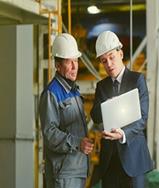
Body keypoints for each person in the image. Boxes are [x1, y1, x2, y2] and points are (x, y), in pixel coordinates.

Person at [90, 30, 153, 188]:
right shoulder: (102, 87)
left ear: (121, 54)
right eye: (104, 61)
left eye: (111, 57)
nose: (109, 64)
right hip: (110, 162)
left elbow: (142, 118)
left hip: (133, 160)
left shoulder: (137, 80)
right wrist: (107, 106)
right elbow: (95, 116)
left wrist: (123, 134)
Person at [39, 33, 94, 188]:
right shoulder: (52, 93)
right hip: (63, 175)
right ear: (57, 65)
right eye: (69, 62)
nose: (75, 66)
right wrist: (77, 143)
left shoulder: (74, 91)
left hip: (77, 170)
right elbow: (50, 133)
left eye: (76, 61)